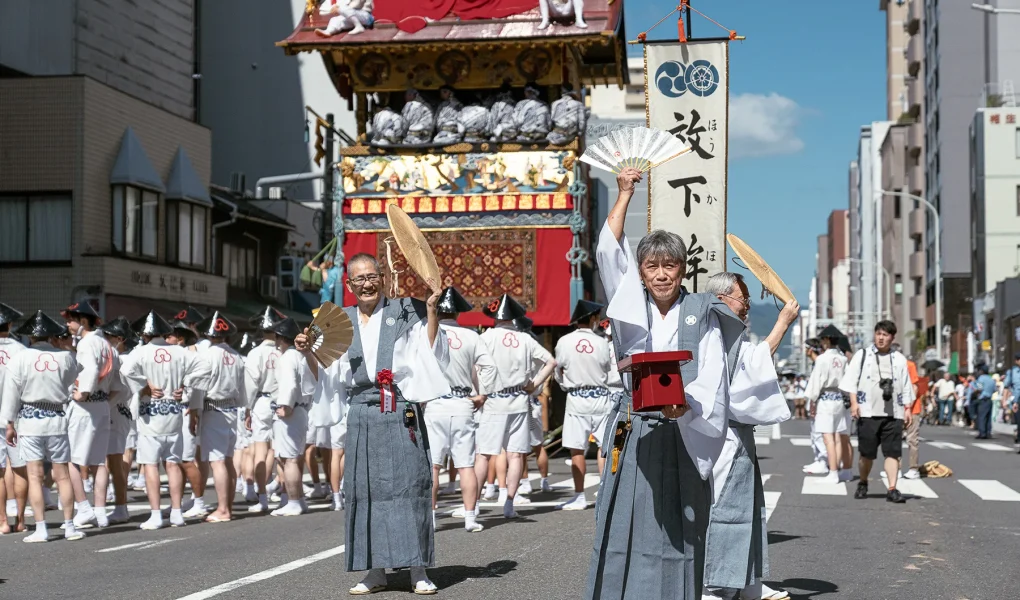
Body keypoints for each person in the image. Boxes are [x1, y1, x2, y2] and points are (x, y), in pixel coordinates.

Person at [587, 167, 750, 600]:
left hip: (684, 426)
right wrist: (624, 194)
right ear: (640, 271)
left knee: (681, 523)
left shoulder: (702, 309)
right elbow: (607, 250)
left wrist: (687, 406)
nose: (661, 274)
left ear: (683, 269)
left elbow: (712, 372)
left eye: (669, 266)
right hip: (636, 424)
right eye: (651, 265)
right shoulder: (628, 302)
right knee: (629, 516)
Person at [295, 253, 449, 595]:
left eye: (371, 277)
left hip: (399, 407)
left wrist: (433, 310)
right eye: (358, 279)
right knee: (365, 491)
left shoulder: (405, 311)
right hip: (362, 411)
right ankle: (374, 570)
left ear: (382, 278)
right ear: (349, 285)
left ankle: (418, 569)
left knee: (411, 485)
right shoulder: (338, 320)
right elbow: (325, 375)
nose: (366, 284)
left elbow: (429, 350)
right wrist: (307, 351)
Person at [702, 271, 797, 600]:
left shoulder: (726, 334)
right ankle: (717, 586)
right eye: (742, 299)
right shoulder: (713, 334)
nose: (747, 307)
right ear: (722, 299)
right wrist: (782, 321)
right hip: (722, 437)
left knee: (747, 510)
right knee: (726, 511)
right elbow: (753, 365)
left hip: (735, 435)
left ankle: (747, 582)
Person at [1, 311, 86, 543]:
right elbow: (74, 376)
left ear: (30, 337)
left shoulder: (20, 358)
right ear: (52, 336)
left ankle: (41, 528)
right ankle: (69, 526)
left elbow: (11, 393)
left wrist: (9, 423)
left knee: (35, 475)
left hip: (29, 419)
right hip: (57, 417)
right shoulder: (65, 357)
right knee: (63, 475)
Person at [121, 311, 209, 530]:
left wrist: (144, 385)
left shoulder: (141, 352)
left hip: (151, 413)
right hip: (173, 411)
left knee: (150, 465)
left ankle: (156, 514)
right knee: (173, 463)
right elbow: (205, 367)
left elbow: (124, 371)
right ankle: (177, 512)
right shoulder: (179, 352)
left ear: (146, 333)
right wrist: (186, 385)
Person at [423, 287, 499, 532]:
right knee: (466, 464)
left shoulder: (427, 332)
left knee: (433, 465)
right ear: (457, 312)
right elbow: (489, 367)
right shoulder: (472, 336)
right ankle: (470, 517)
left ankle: (432, 518)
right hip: (463, 402)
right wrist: (483, 394)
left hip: (435, 403)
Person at [477, 293, 557, 519]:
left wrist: (478, 390)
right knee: (515, 455)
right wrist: (534, 384)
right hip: (519, 400)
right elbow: (551, 361)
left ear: (495, 316)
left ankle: (472, 506)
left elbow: (474, 364)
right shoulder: (525, 338)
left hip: (493, 399)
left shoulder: (487, 337)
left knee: (485, 454)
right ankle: (509, 503)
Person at [840, 321, 914, 503]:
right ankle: (863, 482)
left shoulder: (899, 359)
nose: (881, 338)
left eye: (885, 335)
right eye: (878, 334)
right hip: (867, 412)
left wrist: (907, 409)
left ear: (892, 337)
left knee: (893, 453)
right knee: (866, 454)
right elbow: (851, 381)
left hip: (893, 413)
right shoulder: (862, 355)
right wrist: (854, 403)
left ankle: (892, 488)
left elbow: (906, 386)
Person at [62, 301, 117, 530]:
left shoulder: (86, 343)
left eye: (71, 319)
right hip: (103, 405)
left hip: (85, 407)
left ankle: (84, 508)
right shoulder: (107, 345)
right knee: (98, 461)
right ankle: (100, 511)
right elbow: (119, 383)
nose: (68, 324)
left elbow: (91, 370)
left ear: (83, 321)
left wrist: (82, 393)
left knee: (74, 461)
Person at [554, 299, 612, 511]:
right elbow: (607, 368)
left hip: (577, 397)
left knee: (576, 448)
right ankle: (605, 489)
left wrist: (565, 385)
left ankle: (579, 494)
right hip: (600, 396)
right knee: (602, 446)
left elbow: (558, 370)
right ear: (594, 319)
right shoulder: (601, 342)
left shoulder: (564, 342)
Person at [194, 312, 245, 522]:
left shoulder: (207, 355)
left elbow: (198, 386)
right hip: (232, 409)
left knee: (217, 461)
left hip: (212, 408)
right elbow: (243, 389)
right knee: (228, 460)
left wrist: (194, 410)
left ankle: (223, 509)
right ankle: (228, 506)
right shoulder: (236, 356)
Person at [270, 317, 318, 517]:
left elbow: (289, 384)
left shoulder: (288, 357)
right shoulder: (301, 357)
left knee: (288, 459)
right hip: (301, 409)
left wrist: (286, 405)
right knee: (292, 457)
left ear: (280, 338)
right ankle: (298, 500)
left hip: (291, 410)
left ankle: (294, 501)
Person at [244, 306, 286, 513]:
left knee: (260, 449)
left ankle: (262, 497)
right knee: (279, 450)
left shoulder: (255, 353)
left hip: (261, 401)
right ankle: (284, 494)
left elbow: (251, 384)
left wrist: (247, 409)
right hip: (281, 402)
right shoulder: (283, 351)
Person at [804, 328, 852, 484]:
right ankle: (843, 470)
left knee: (828, 438)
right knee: (840, 436)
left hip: (826, 399)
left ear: (826, 340)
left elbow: (815, 383)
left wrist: (812, 402)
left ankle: (832, 472)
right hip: (841, 398)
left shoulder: (822, 359)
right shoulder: (843, 359)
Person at [0, 301, 27, 535]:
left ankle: (2, 522)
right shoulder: (21, 351)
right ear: (9, 324)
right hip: (16, 419)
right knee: (20, 468)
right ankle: (20, 520)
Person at [898, 345, 923, 480]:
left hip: (912, 409)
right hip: (896, 409)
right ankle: (896, 469)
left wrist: (908, 407)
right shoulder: (889, 366)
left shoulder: (909, 365)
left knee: (912, 439)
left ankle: (913, 469)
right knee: (895, 439)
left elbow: (915, 387)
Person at [972, 364, 996, 440]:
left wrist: (975, 391)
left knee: (982, 417)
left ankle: (982, 433)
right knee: (988, 417)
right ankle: (988, 432)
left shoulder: (981, 378)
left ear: (981, 371)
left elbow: (979, 389)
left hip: (983, 399)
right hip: (990, 399)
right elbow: (995, 389)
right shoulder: (991, 379)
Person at [1001, 353, 1020, 447]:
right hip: (1017, 401)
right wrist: (1004, 400)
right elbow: (1006, 387)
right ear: (1016, 361)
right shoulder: (1012, 372)